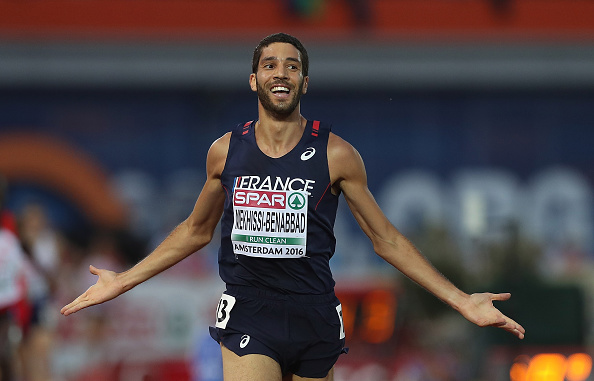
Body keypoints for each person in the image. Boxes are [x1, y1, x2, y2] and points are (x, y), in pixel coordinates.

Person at [61, 33, 525, 381]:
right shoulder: (226, 151)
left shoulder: (338, 154)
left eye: (290, 66)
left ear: (305, 81)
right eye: (269, 65)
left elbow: (387, 240)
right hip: (248, 309)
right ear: (253, 80)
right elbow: (195, 231)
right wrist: (123, 280)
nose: (279, 73)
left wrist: (461, 300)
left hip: (315, 314)